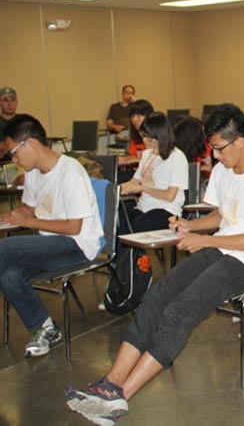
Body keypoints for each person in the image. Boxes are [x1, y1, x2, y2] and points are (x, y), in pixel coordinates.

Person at [66, 104, 244, 425]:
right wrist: (189, 225)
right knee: (156, 297)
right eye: (212, 148)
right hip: (222, 251)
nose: (215, 156)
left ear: (239, 141)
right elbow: (221, 216)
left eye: (219, 148)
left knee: (179, 311)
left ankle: (121, 397)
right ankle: (112, 382)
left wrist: (205, 241)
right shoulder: (224, 170)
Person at [0, 114, 103, 357]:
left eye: (14, 153)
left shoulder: (70, 172)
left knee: (5, 249)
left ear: (31, 143)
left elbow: (73, 227)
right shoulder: (34, 172)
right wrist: (10, 218)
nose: (14, 160)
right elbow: (29, 209)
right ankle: (45, 328)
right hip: (49, 244)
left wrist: (28, 221)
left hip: (77, 245)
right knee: (9, 274)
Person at [120, 113, 189, 237]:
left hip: (166, 210)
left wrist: (143, 188)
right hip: (143, 207)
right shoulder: (147, 154)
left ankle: (132, 250)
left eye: (148, 138)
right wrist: (113, 190)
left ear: (160, 137)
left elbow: (170, 196)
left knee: (136, 227)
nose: (144, 140)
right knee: (118, 221)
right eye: (143, 136)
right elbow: (133, 182)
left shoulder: (176, 157)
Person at [0, 86, 19, 161]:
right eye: (5, 100)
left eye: (12, 100)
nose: (9, 104)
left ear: (16, 102)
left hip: (21, 163)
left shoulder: (23, 122)